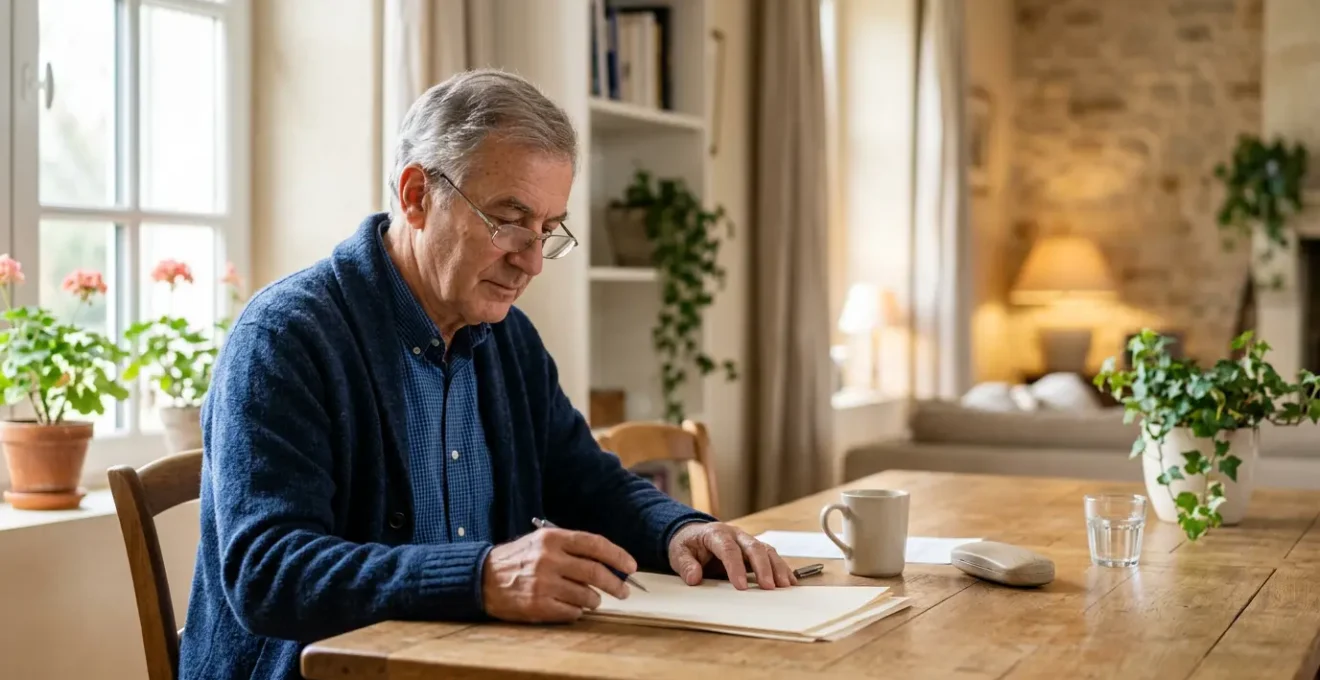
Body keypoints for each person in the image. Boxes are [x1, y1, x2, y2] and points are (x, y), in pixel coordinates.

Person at [178, 69, 796, 680]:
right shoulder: (285, 336)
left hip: (479, 664)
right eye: (509, 219)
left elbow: (587, 481)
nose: (531, 262)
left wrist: (680, 528)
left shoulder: (508, 337)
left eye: (548, 230)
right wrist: (482, 577)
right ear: (416, 195)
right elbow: (268, 572)